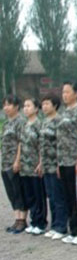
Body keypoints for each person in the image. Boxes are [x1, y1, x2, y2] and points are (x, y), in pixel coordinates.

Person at [57, 82, 77, 245]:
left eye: (68, 92)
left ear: (76, 93)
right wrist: (58, 162)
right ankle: (73, 229)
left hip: (74, 160)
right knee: (68, 197)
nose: (64, 95)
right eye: (63, 92)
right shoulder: (63, 112)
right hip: (63, 161)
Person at [15, 98, 46, 235]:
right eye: (24, 106)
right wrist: (18, 161)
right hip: (25, 166)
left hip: (35, 166)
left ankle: (41, 222)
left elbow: (42, 145)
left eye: (28, 106)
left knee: (38, 195)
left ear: (36, 109)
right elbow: (20, 144)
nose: (25, 108)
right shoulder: (24, 124)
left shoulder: (39, 124)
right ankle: (33, 221)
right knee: (29, 196)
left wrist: (41, 162)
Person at [40, 94, 67, 239]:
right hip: (46, 165)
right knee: (51, 196)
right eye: (43, 104)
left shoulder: (59, 121)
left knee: (58, 197)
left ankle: (61, 226)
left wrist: (59, 164)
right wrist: (40, 163)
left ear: (55, 105)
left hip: (55, 164)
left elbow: (62, 144)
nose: (44, 107)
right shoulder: (44, 121)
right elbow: (42, 145)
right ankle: (54, 224)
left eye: (47, 104)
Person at [2, 95, 25, 233]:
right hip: (5, 163)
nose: (6, 107)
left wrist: (17, 160)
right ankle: (16, 219)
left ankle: (22, 220)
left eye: (9, 104)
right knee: (11, 192)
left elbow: (21, 143)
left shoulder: (20, 122)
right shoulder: (6, 123)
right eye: (4, 105)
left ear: (16, 106)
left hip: (14, 162)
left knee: (18, 191)